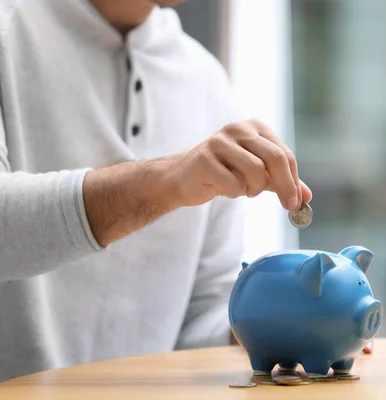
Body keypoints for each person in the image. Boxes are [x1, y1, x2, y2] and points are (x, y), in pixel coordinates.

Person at [0, 0, 313, 382]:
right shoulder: (9, 26)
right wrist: (167, 182)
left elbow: (202, 315)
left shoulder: (204, 78)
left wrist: (275, 329)